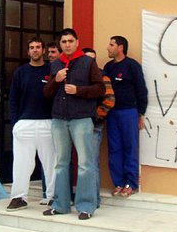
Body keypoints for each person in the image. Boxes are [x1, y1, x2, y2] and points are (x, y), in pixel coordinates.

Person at [43, 28, 105, 220]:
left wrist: (79, 90)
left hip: (81, 119)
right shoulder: (55, 65)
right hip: (59, 120)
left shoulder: (88, 63)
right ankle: (61, 204)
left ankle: (86, 206)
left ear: (77, 42)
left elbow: (100, 89)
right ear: (60, 44)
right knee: (61, 163)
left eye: (70, 41)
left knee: (85, 164)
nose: (67, 44)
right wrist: (56, 80)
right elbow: (46, 93)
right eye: (64, 42)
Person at [6, 37, 55, 211]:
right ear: (28, 52)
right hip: (24, 123)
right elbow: (13, 99)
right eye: (31, 47)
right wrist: (15, 123)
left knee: (51, 162)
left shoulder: (51, 70)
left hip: (48, 123)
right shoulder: (20, 72)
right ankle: (19, 197)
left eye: (38, 47)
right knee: (21, 163)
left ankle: (52, 197)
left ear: (43, 51)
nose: (35, 50)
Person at [104, 36, 148, 197]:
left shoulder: (132, 66)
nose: (108, 48)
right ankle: (119, 182)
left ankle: (131, 183)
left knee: (130, 147)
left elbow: (141, 90)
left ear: (120, 47)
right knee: (114, 148)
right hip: (112, 113)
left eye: (111, 44)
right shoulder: (108, 67)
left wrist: (141, 113)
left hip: (129, 112)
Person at [83, 48, 115, 208]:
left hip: (94, 126)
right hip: (77, 124)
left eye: (92, 60)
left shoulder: (103, 77)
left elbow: (109, 100)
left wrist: (95, 116)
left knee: (91, 163)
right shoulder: (78, 77)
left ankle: (94, 200)